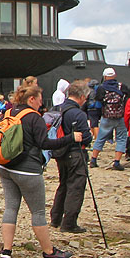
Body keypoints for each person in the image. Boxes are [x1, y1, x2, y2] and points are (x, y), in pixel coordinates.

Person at [0, 83, 80, 258]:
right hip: (28, 170)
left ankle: (6, 250)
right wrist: (70, 138)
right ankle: (48, 252)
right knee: (38, 212)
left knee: (11, 207)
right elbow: (45, 144)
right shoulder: (34, 117)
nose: (41, 105)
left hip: (5, 166)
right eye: (40, 101)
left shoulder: (9, 112)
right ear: (31, 99)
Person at [50, 80, 92, 233]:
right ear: (81, 96)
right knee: (76, 187)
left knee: (63, 185)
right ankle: (69, 223)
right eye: (85, 97)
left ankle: (55, 218)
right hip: (75, 153)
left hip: (60, 152)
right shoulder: (78, 113)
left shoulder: (59, 108)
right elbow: (86, 137)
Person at [89, 68, 128, 170]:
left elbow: (98, 103)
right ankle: (117, 161)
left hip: (106, 116)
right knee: (121, 138)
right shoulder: (121, 86)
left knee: (100, 138)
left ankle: (93, 159)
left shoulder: (101, 88)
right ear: (114, 76)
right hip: (120, 117)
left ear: (104, 76)